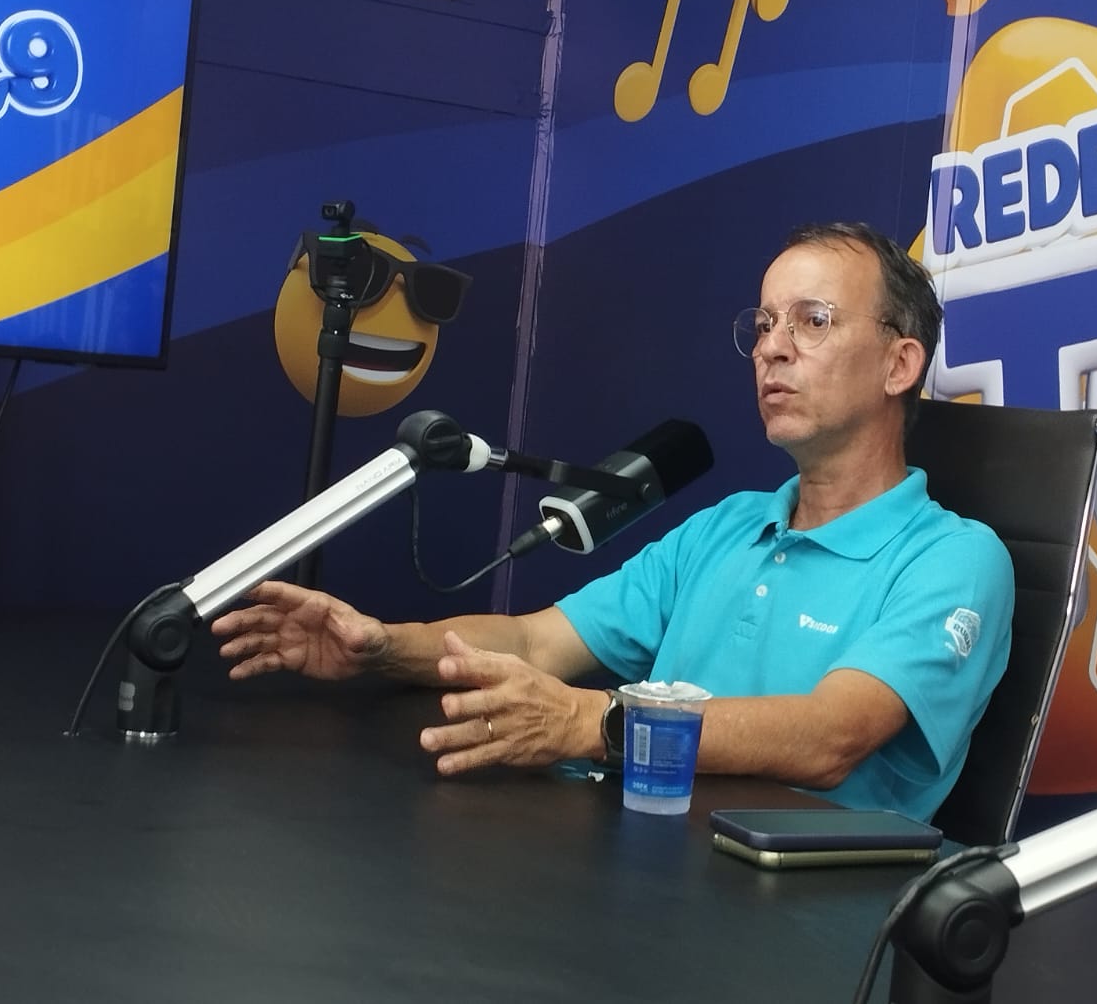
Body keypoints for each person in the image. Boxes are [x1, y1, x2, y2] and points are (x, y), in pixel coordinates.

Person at [213, 221, 1013, 821]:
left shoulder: (954, 558)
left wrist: (590, 721)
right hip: (647, 870)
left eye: (813, 320)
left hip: (807, 919)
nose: (772, 348)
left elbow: (830, 737)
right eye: (766, 324)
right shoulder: (727, 527)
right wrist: (382, 646)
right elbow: (536, 643)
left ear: (900, 364)